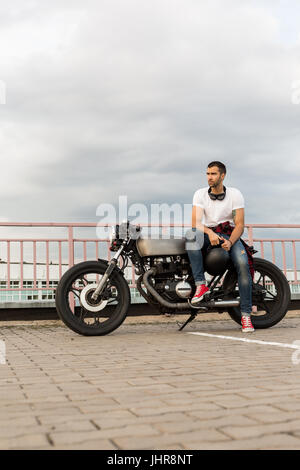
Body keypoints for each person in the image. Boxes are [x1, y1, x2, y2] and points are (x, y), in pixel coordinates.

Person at [186, 161, 255, 333]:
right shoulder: (200, 194)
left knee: (242, 264)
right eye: (208, 174)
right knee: (191, 235)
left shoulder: (235, 194)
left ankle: (246, 316)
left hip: (228, 234)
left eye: (213, 174)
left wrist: (230, 242)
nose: (209, 177)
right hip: (209, 233)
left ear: (222, 176)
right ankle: (201, 285)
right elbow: (195, 223)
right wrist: (210, 234)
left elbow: (239, 224)